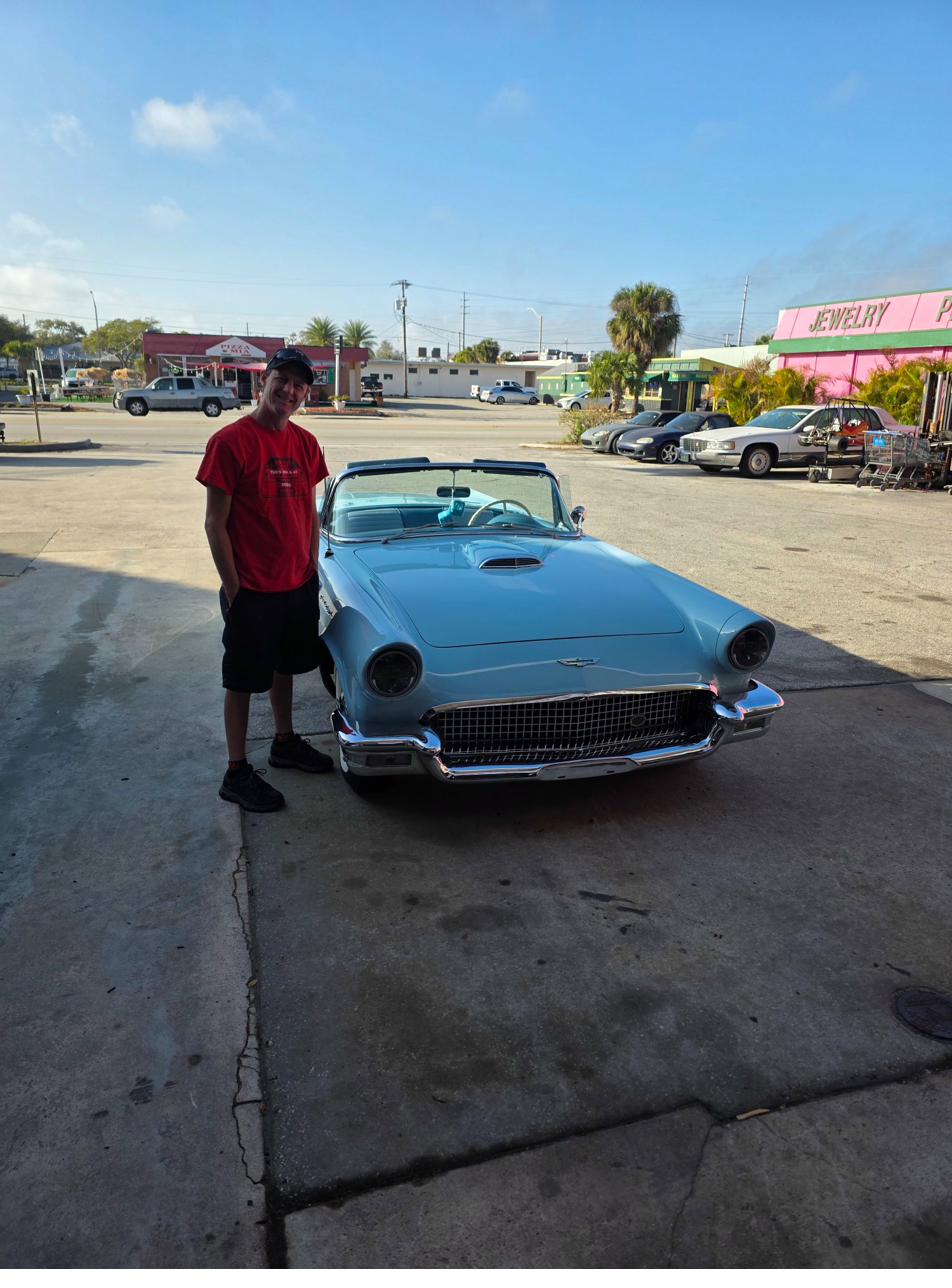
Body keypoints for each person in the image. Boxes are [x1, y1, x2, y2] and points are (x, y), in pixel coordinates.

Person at [197, 346, 332, 812]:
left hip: (296, 583)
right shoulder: (230, 442)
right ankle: (236, 771)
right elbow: (216, 523)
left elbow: (309, 513)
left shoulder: (306, 444)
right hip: (251, 588)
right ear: (264, 382)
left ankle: (284, 741)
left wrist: (310, 565)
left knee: (285, 667)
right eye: (283, 380)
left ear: (305, 394)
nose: (289, 391)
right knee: (241, 678)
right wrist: (235, 590)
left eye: (299, 385)